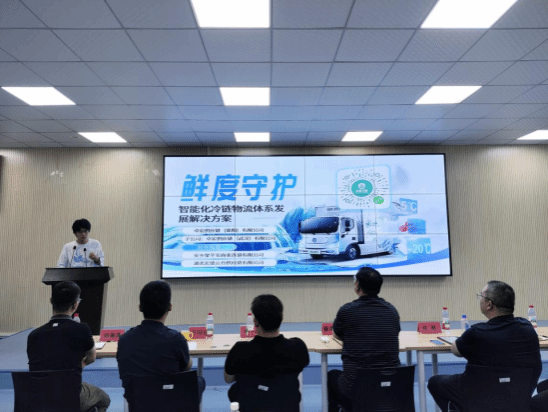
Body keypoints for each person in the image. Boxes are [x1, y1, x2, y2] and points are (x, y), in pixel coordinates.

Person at [428, 280, 541, 412]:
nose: (479, 299)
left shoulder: (477, 332)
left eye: (481, 296)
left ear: (489, 304)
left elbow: (455, 350)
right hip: (518, 399)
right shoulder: (527, 327)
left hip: (479, 398)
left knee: (435, 382)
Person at [116, 280, 205, 405]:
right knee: (199, 381)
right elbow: (186, 367)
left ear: (140, 307)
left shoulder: (124, 340)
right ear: (170, 307)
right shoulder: (176, 339)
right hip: (170, 402)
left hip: (138, 403)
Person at [27, 281, 111, 412]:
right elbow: (92, 357)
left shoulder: (33, 335)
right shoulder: (82, 329)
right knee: (104, 399)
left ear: (51, 301)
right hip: (69, 396)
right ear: (75, 305)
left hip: (38, 398)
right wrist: (80, 365)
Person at [328, 266, 400, 412]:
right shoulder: (391, 310)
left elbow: (336, 334)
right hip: (389, 389)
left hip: (354, 390)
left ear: (357, 287)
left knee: (331, 376)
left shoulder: (347, 310)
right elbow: (395, 332)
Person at [224, 294, 310, 404]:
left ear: (255, 322)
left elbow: (228, 379)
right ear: (281, 318)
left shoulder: (239, 350)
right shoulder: (298, 347)